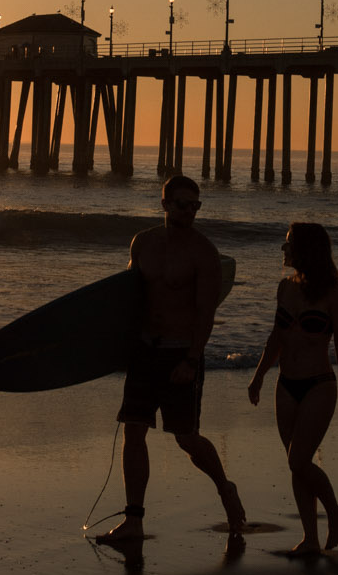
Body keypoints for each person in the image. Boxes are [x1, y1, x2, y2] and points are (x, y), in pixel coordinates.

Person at [94, 175, 246, 546]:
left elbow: (206, 313)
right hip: (145, 350)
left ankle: (225, 488)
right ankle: (134, 519)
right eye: (182, 204)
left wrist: (192, 360)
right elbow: (130, 298)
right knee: (133, 431)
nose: (190, 211)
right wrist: (119, 346)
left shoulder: (203, 252)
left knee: (187, 438)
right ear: (165, 204)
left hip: (181, 353)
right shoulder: (143, 243)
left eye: (196, 205)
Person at [247, 222, 338, 555]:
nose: (283, 248)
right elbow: (276, 338)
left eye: (289, 243)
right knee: (297, 463)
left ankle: (335, 511)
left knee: (298, 460)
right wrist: (259, 375)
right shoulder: (284, 288)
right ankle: (310, 538)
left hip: (319, 384)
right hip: (286, 384)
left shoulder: (335, 294)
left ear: (307, 249)